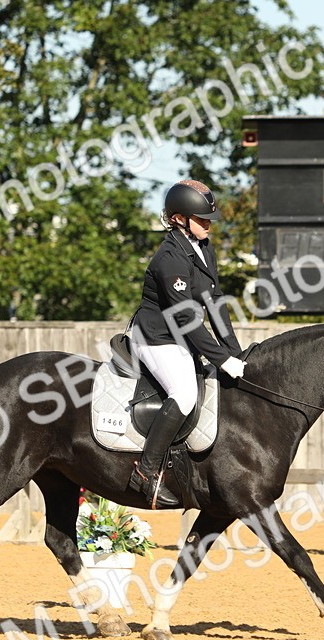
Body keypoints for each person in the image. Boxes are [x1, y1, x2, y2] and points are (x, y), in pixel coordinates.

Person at [126, 179, 248, 508]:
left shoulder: (203, 249)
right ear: (179, 218)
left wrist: (235, 352)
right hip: (155, 338)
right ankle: (146, 472)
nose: (209, 224)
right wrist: (222, 359)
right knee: (184, 393)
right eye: (202, 218)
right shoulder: (169, 259)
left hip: (181, 338)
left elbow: (215, 304)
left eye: (209, 218)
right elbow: (186, 319)